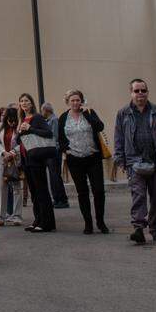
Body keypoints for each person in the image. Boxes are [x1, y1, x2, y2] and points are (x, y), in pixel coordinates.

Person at [113, 78, 156, 245]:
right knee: (138, 196)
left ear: (147, 92)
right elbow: (118, 138)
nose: (140, 94)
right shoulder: (123, 114)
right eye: (137, 91)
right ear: (131, 93)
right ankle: (138, 229)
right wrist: (120, 159)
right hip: (134, 163)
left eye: (143, 90)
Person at [57, 89, 109, 234]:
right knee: (82, 192)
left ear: (81, 101)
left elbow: (100, 127)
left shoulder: (89, 113)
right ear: (68, 102)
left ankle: (101, 221)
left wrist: (87, 114)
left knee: (98, 190)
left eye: (77, 100)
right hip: (75, 159)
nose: (75, 103)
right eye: (72, 100)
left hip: (93, 157)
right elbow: (60, 138)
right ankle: (88, 223)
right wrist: (65, 149)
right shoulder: (63, 118)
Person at [17, 95, 56, 233]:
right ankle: (37, 220)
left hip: (37, 159)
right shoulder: (22, 119)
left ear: (31, 103)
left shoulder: (37, 117)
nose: (24, 103)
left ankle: (47, 223)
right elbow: (18, 141)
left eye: (26, 101)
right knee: (34, 193)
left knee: (42, 191)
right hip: (26, 160)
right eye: (21, 101)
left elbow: (48, 133)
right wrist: (20, 131)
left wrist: (30, 128)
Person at [0, 106, 23, 227]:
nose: (11, 121)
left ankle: (17, 216)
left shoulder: (19, 127)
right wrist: (4, 152)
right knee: (1, 188)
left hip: (15, 161)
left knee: (17, 187)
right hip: (2, 160)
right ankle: (0, 216)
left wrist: (13, 152)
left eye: (13, 119)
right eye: (9, 119)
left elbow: (22, 142)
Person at [42, 103, 70, 209]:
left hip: (53, 150)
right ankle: (57, 199)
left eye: (42, 111)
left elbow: (54, 136)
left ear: (46, 110)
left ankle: (61, 199)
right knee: (54, 176)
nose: (42, 113)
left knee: (55, 176)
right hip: (51, 150)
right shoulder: (49, 120)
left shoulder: (53, 120)